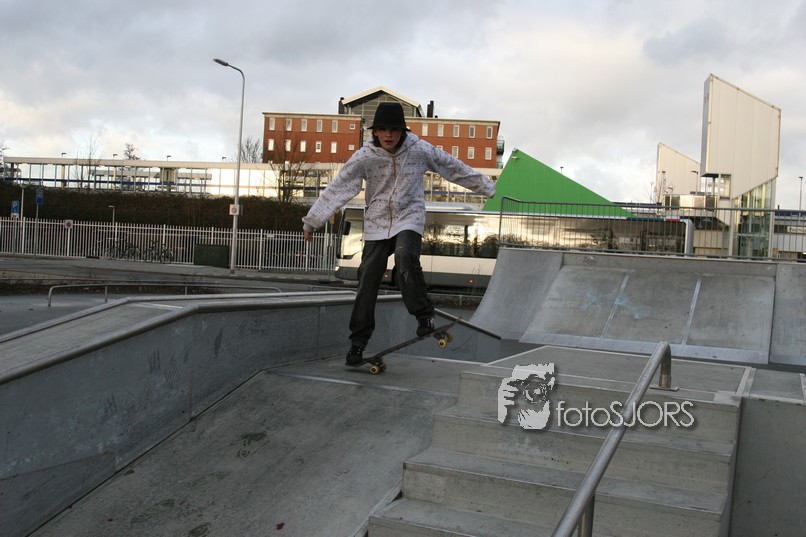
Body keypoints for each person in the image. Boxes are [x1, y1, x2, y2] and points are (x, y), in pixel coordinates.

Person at [302, 102, 496, 366]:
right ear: (375, 132)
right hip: (377, 222)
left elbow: (452, 166)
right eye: (383, 130)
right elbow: (338, 188)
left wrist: (487, 187)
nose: (388, 135)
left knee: (405, 257)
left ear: (402, 131)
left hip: (409, 216)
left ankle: (424, 316)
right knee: (368, 279)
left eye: (393, 130)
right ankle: (357, 344)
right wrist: (312, 221)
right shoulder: (364, 156)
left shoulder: (419, 150)